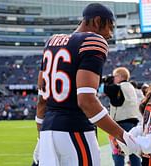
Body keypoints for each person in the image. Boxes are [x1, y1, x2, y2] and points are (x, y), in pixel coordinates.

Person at [35, 3, 135, 166]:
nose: (109, 34)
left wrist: (41, 136)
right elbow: (86, 101)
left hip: (48, 132)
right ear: (96, 21)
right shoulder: (93, 41)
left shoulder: (51, 42)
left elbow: (42, 100)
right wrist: (124, 136)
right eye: (109, 27)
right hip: (75, 130)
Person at [101, 67, 141, 166]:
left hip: (120, 124)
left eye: (114, 76)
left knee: (117, 152)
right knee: (134, 152)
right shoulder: (131, 87)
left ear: (119, 76)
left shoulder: (119, 87)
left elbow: (102, 88)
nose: (113, 78)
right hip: (133, 123)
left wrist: (106, 81)